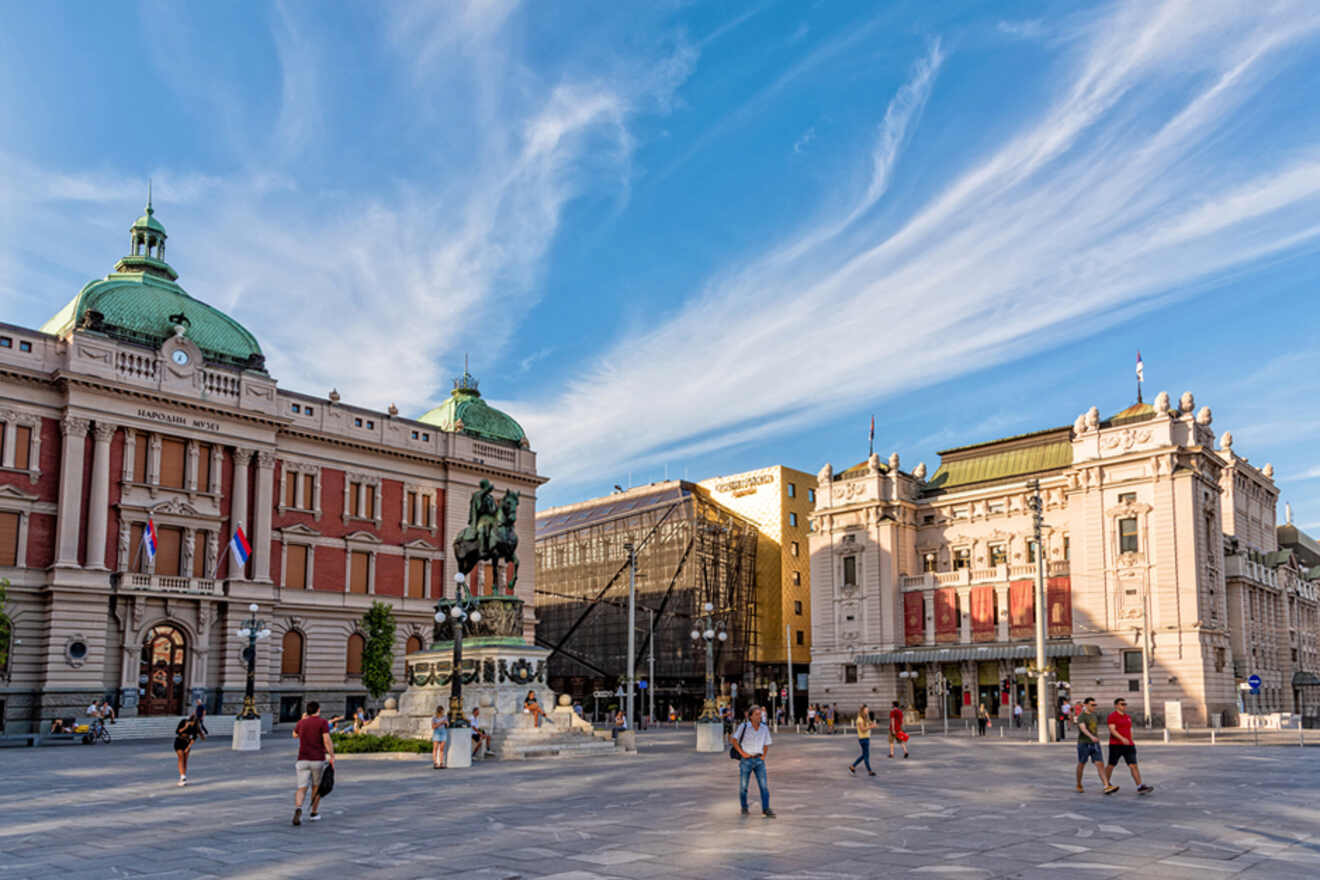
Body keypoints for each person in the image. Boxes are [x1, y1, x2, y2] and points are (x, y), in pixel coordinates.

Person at [292, 701, 335, 825]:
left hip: (302, 760)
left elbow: (294, 734)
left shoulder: (302, 723)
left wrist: (302, 720)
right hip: (317, 760)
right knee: (316, 787)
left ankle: (298, 808)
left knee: (301, 788)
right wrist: (331, 754)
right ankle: (314, 813)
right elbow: (326, 740)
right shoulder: (322, 723)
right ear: (318, 710)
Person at [730, 705, 775, 818]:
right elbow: (734, 740)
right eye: (757, 714)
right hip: (746, 760)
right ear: (750, 716)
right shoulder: (744, 726)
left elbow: (766, 743)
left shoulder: (764, 728)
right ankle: (744, 807)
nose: (759, 716)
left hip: (759, 761)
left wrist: (763, 756)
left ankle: (766, 809)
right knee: (744, 786)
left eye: (760, 714)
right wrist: (742, 753)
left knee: (764, 786)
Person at [1104, 697, 1153, 796]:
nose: (1124, 706)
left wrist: (1130, 740)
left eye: (1125, 704)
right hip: (1116, 745)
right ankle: (1106, 785)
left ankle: (1140, 787)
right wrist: (1122, 739)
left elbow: (1129, 730)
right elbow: (1112, 730)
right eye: (1122, 704)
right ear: (1116, 705)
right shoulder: (1112, 716)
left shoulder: (1127, 717)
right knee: (1111, 765)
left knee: (1133, 765)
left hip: (1129, 745)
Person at [1074, 697, 1110, 793]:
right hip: (1084, 743)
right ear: (1086, 705)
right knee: (1082, 764)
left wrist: (1095, 738)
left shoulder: (1094, 715)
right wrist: (1091, 736)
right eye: (1092, 705)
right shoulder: (1082, 716)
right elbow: (1083, 728)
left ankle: (1106, 786)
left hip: (1095, 744)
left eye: (1095, 705)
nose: (1094, 706)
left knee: (1100, 764)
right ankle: (1079, 784)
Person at [174, 714, 201, 786]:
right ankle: (183, 777)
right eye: (192, 722)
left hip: (187, 743)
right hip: (179, 741)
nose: (192, 724)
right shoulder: (183, 721)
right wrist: (185, 727)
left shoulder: (195, 727)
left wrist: (188, 748)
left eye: (194, 723)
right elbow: (177, 731)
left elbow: (194, 738)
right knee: (181, 757)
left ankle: (182, 778)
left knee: (185, 760)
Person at [849, 704, 876, 776]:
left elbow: (870, 723)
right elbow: (862, 729)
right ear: (863, 711)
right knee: (866, 756)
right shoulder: (859, 719)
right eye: (866, 710)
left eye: (868, 710)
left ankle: (853, 766)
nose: (867, 711)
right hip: (863, 739)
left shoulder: (865, 718)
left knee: (864, 755)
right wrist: (871, 726)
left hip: (866, 738)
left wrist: (871, 723)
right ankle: (869, 771)